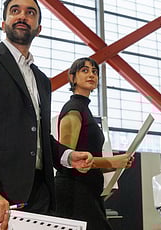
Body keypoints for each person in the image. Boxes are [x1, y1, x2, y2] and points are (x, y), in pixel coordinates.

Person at [0, 0, 93, 230]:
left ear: (38, 28)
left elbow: (38, 136)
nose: (22, 16)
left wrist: (68, 156)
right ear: (4, 23)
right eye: (15, 11)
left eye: (31, 13)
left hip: (39, 194)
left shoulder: (42, 80)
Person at [54, 57, 134, 230]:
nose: (91, 74)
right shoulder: (74, 109)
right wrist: (111, 161)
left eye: (94, 71)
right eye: (84, 70)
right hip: (74, 192)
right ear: (72, 78)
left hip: (88, 190)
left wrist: (117, 164)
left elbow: (88, 162)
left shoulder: (85, 110)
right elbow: (67, 160)